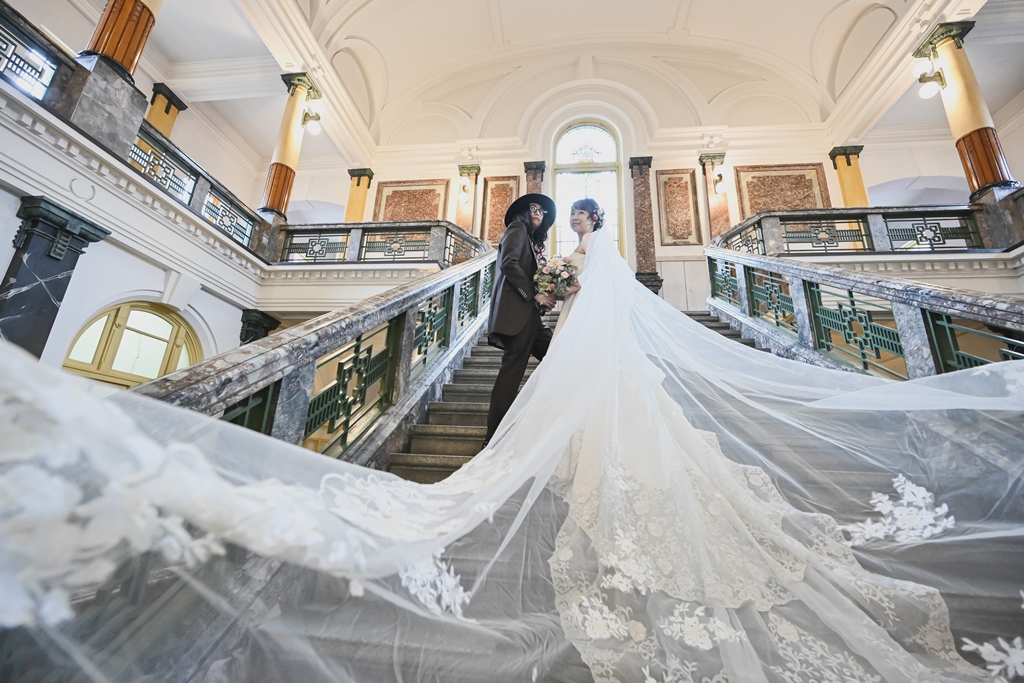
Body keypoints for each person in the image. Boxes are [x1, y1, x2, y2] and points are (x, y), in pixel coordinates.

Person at [2, 220, 1023, 682]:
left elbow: (578, 304)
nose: (568, 232)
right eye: (567, 227)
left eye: (574, 228)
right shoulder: (563, 261)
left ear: (583, 232)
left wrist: (560, 291)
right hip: (589, 370)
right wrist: (551, 295)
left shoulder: (589, 264)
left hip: (596, 373)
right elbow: (553, 300)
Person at [484, 192, 557, 445]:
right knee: (510, 376)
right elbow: (509, 264)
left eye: (541, 211)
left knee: (561, 355)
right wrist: (534, 295)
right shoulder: (516, 228)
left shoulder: (530, 241)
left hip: (531, 320)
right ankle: (492, 439)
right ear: (522, 213)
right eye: (533, 208)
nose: (537, 212)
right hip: (518, 316)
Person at [551, 197, 601, 340]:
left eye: (580, 212)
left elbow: (596, 274)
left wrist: (561, 290)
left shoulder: (590, 239)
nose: (574, 217)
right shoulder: (584, 242)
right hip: (574, 304)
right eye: (572, 213)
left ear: (594, 218)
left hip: (585, 307)